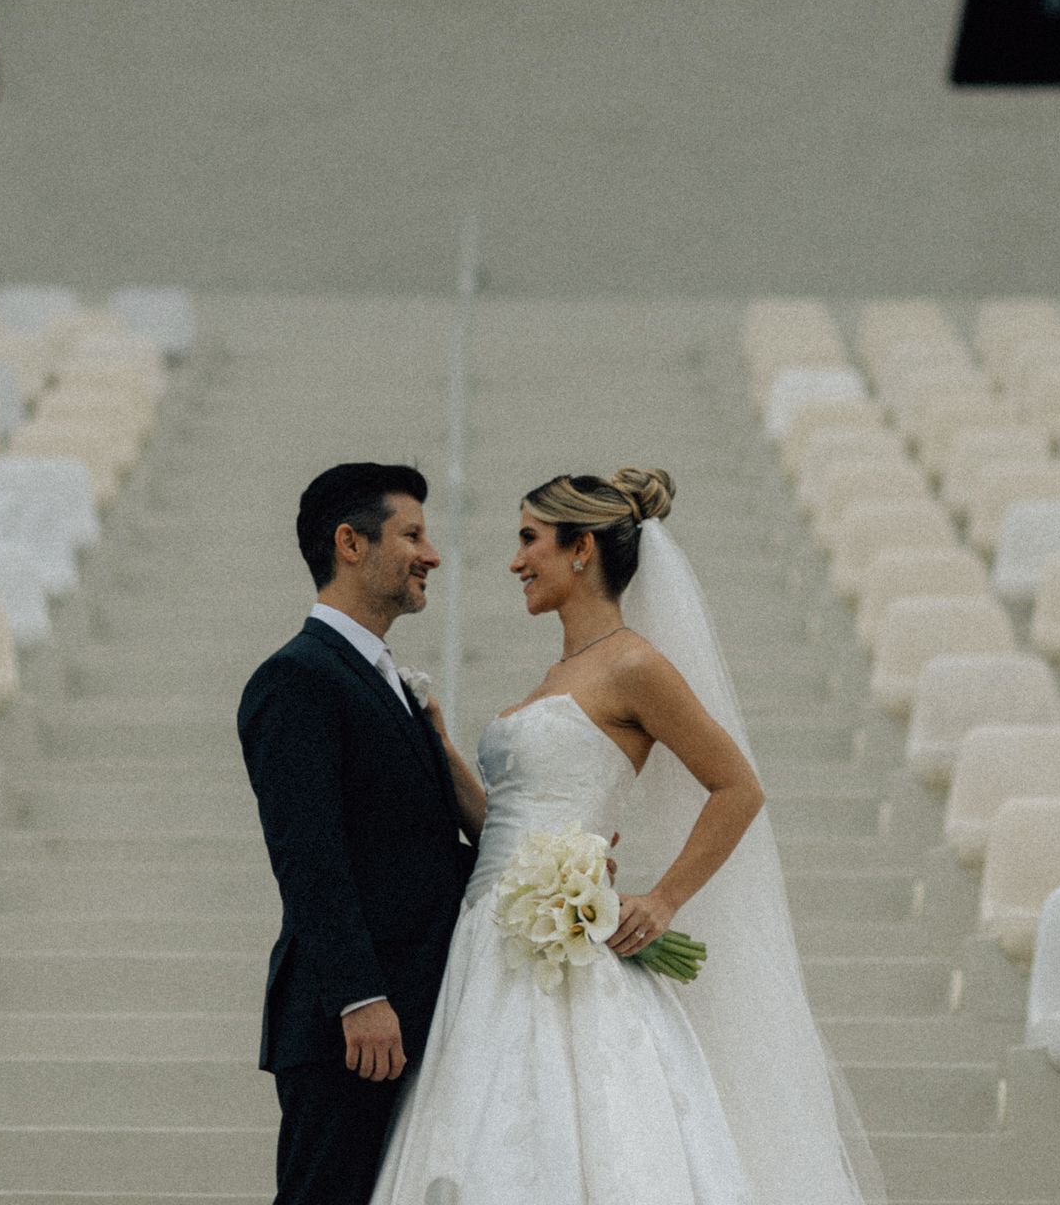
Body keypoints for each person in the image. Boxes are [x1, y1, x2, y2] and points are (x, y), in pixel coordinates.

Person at [370, 467, 887, 1205]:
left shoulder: (634, 664)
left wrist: (665, 899)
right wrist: (442, 747)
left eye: (528, 541)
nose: (515, 561)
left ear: (581, 549)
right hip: (486, 944)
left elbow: (736, 786)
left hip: (565, 957)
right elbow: (503, 832)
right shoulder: (558, 673)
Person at [237, 462, 483, 1205]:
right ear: (350, 543)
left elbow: (424, 850)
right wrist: (358, 999)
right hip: (352, 1029)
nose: (430, 554)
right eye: (411, 534)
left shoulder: (378, 679)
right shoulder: (298, 678)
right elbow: (309, 853)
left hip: (409, 1011)